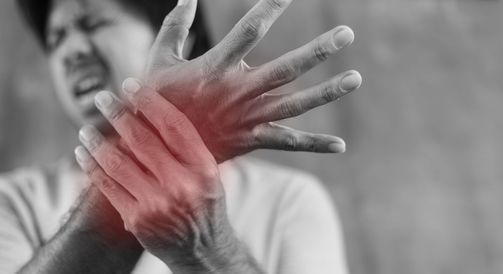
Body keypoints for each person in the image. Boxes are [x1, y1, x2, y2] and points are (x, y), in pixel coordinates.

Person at [0, 0, 362, 273]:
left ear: (182, 42)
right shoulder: (14, 200)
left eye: (92, 23)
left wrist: (207, 249)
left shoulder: (289, 200)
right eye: (55, 38)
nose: (70, 52)